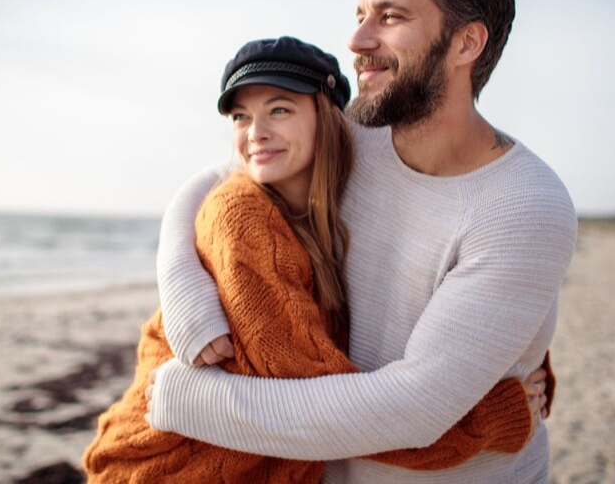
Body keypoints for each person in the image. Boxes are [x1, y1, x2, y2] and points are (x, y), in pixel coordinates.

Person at [145, 0, 577, 484]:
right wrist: (183, 287)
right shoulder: (359, 135)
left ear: (467, 42)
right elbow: (213, 179)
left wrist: (190, 401)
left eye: (390, 17)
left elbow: (412, 409)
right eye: (360, 15)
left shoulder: (523, 206)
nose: (357, 41)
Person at [82, 36, 550, 483]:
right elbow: (330, 420)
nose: (255, 134)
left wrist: (504, 354)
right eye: (241, 117)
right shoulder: (243, 217)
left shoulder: (326, 204)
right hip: (164, 470)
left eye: (279, 110)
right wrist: (493, 416)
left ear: (331, 117)